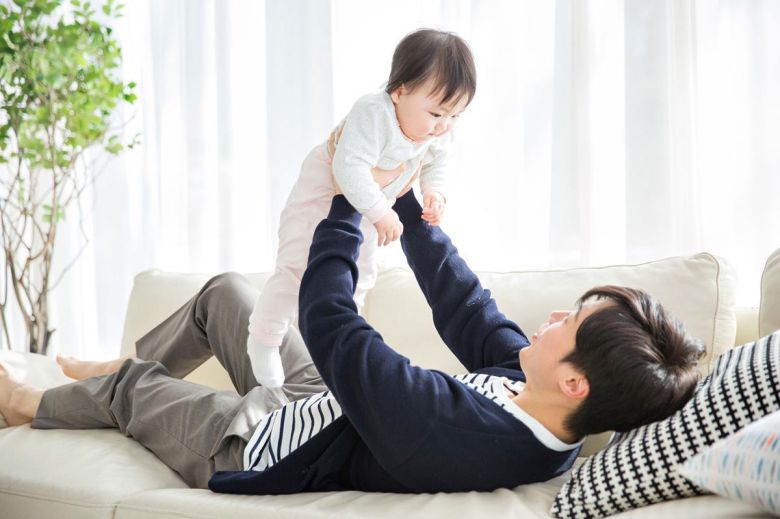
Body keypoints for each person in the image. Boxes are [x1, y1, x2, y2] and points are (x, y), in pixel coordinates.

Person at [0, 190, 705, 494]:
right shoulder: (535, 395)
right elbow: (465, 304)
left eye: (567, 324)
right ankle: (118, 366)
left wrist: (347, 204)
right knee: (227, 296)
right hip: (325, 407)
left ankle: (29, 402)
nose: (551, 317)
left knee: (135, 392)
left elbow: (336, 327)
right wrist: (403, 203)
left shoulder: (466, 432)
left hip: (262, 442)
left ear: (576, 382)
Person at [247, 28, 476, 389]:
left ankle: (335, 339)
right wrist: (382, 212)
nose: (444, 126)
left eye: (455, 115)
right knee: (296, 267)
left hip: (371, 203)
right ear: (399, 91)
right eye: (436, 113)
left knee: (360, 276)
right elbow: (348, 168)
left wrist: (435, 193)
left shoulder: (437, 131)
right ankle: (264, 336)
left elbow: (437, 161)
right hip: (325, 191)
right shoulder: (374, 113)